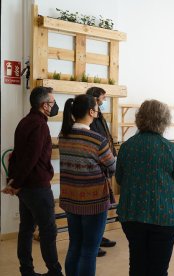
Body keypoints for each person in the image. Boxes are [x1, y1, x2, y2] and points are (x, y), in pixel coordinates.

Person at [116, 99, 174, 276]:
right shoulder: (171, 149)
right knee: (158, 269)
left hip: (132, 215)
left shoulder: (127, 147)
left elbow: (119, 179)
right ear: (164, 121)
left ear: (139, 119)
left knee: (137, 265)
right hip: (165, 216)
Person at [1, 86, 63, 276]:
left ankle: (26, 270)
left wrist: (14, 182)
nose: (54, 106)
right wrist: (16, 183)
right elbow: (30, 158)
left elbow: (16, 156)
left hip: (26, 188)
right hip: (36, 188)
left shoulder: (24, 122)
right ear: (44, 106)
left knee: (26, 229)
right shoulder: (40, 125)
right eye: (52, 102)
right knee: (48, 230)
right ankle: (54, 271)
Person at [59, 94, 116, 276]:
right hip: (94, 202)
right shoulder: (97, 140)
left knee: (74, 245)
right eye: (98, 108)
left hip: (70, 198)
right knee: (89, 250)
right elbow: (112, 166)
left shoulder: (63, 136)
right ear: (92, 111)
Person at [85, 87, 117, 257]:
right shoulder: (88, 117)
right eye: (103, 98)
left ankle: (99, 237)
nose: (104, 102)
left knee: (103, 208)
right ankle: (93, 243)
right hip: (97, 169)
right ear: (95, 99)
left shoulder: (98, 115)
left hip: (105, 166)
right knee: (95, 209)